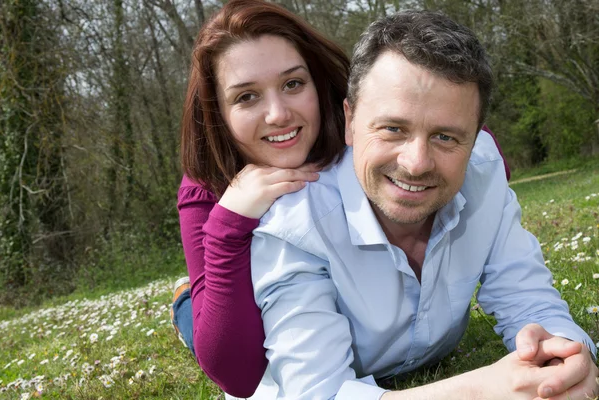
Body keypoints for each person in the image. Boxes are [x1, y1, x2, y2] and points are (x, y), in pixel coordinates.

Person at [250, 10, 598, 400]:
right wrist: (480, 391)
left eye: (446, 137)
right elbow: (317, 394)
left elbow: (527, 296)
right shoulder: (295, 226)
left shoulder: (483, 170)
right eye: (393, 129)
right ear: (350, 121)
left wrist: (561, 355)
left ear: (475, 136)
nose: (416, 163)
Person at [172, 0, 510, 397]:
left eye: (293, 84)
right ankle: (182, 301)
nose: (278, 114)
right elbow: (237, 375)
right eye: (247, 97)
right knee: (201, 314)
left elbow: (461, 134)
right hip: (242, 312)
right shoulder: (205, 188)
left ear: (318, 82)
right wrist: (230, 224)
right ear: (219, 114)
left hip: (314, 309)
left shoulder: (357, 129)